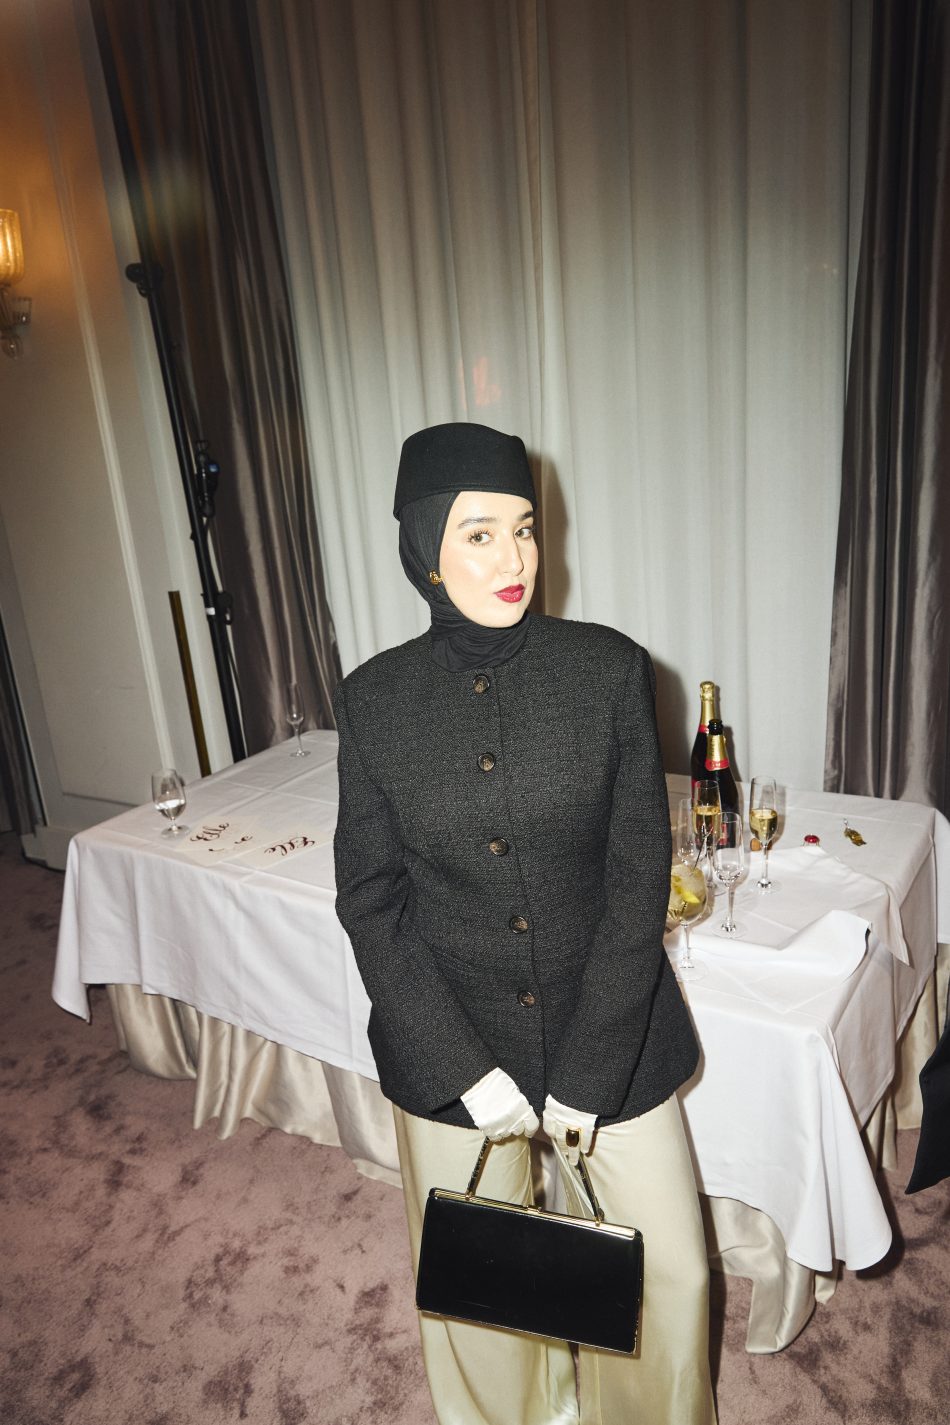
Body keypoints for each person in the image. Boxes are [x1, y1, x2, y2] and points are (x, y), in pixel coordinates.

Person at [333, 421, 717, 1425]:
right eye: (478, 535)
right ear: (425, 550)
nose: (513, 560)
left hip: (612, 1023)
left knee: (668, 1276)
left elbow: (637, 877)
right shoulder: (373, 701)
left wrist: (590, 1068)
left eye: (524, 529)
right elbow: (371, 900)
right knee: (478, 1290)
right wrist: (464, 1071)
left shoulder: (609, 671)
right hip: (447, 1035)